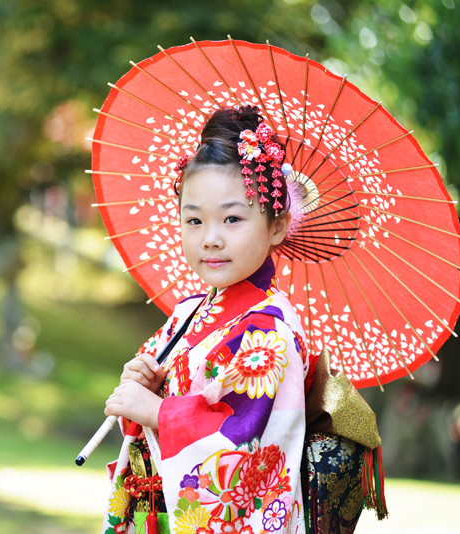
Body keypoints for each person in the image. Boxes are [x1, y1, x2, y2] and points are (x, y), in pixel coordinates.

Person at [101, 105, 310, 534]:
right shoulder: (187, 312)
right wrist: (140, 384)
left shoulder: (270, 331)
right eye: (194, 220)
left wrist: (159, 412)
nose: (211, 239)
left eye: (232, 219)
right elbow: (148, 413)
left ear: (276, 226)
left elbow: (246, 448)